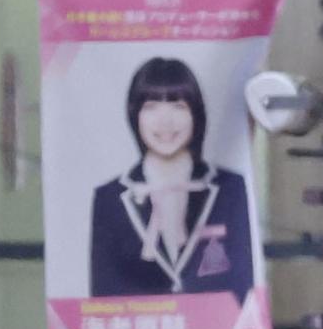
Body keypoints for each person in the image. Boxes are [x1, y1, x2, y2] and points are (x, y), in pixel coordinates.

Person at [84, 56, 259, 300]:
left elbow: (243, 278)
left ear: (196, 114)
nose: (165, 120)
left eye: (178, 106)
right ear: (134, 114)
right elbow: (104, 291)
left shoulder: (230, 187)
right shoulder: (110, 198)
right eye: (151, 107)